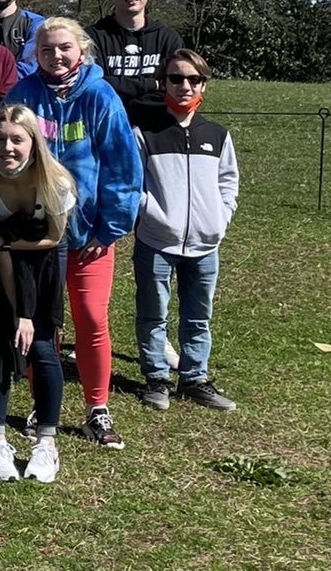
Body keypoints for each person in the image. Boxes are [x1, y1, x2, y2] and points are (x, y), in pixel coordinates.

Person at [6, 16, 142, 450]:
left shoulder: (101, 96)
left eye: (64, 48)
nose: (56, 56)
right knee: (42, 321)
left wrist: (110, 226)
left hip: (90, 236)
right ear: (35, 55)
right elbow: (6, 156)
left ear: (81, 50)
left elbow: (123, 168)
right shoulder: (24, 95)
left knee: (91, 317)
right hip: (37, 233)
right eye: (46, 50)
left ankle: (96, 407)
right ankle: (40, 400)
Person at [134, 48, 240, 413]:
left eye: (194, 79)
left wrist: (219, 219)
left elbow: (229, 182)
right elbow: (133, 185)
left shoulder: (217, 134)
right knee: (153, 314)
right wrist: (153, 215)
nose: (184, 86)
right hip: (157, 241)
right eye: (176, 78)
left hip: (206, 245)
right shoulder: (145, 133)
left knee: (199, 316)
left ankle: (195, 378)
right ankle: (157, 379)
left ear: (204, 86)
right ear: (162, 82)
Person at [0, 104, 74, 484]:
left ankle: (47, 442)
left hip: (44, 262)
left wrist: (32, 315)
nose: (7, 148)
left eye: (17, 139)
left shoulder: (56, 183)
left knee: (44, 347)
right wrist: (18, 312)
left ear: (34, 142)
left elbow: (55, 237)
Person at [88, 0, 186, 127]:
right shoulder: (91, 38)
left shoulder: (168, 39)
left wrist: (126, 97)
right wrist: (151, 84)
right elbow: (95, 86)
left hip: (156, 129)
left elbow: (174, 89)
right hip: (105, 126)